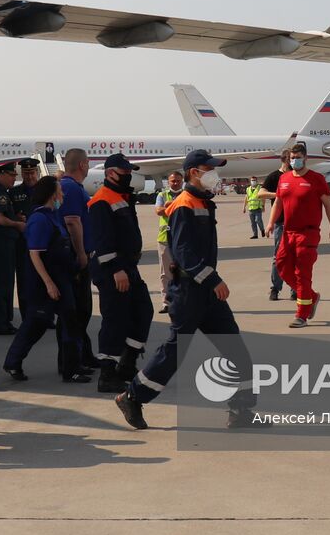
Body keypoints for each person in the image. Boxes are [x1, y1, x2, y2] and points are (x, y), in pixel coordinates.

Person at [115, 150, 266, 430]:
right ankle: (132, 397)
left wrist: (211, 283)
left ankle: (242, 410)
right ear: (194, 172)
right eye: (210, 168)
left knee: (235, 349)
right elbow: (184, 254)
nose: (215, 174)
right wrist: (214, 281)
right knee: (175, 351)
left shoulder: (203, 202)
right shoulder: (184, 204)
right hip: (189, 291)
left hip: (206, 293)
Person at [3, 176, 90, 383]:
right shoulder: (39, 219)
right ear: (52, 195)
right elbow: (35, 254)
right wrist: (49, 283)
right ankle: (13, 362)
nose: (62, 195)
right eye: (59, 191)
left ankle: (72, 369)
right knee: (36, 323)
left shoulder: (53, 215)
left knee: (70, 322)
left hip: (61, 279)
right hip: (44, 283)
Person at [88, 153, 153, 393]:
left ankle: (127, 364)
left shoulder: (122, 197)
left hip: (128, 268)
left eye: (129, 173)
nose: (129, 176)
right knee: (115, 320)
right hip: (112, 270)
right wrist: (116, 269)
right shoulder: (101, 200)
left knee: (143, 311)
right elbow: (101, 240)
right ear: (110, 174)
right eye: (124, 173)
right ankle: (107, 374)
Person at [267, 142, 330, 327]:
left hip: (308, 233)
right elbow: (278, 203)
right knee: (282, 266)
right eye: (292, 158)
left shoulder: (317, 179)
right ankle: (311, 296)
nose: (294, 161)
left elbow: (328, 205)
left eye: (298, 158)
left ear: (305, 158)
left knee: (302, 274)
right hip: (287, 233)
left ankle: (301, 314)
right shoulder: (284, 179)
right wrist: (270, 223)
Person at [58, 148, 101, 370]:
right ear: (83, 165)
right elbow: (72, 222)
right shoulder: (71, 188)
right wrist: (82, 253)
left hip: (77, 255)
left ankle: (84, 355)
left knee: (81, 311)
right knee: (76, 312)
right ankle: (72, 363)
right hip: (76, 258)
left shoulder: (69, 186)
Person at [0, 163, 25, 335]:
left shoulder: (3, 193)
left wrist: (14, 217)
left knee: (7, 284)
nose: (14, 178)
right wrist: (17, 224)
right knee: (2, 285)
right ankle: (0, 324)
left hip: (6, 243)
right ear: (1, 175)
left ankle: (5, 321)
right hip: (1, 244)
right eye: (11, 174)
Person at [258, 150, 292, 301]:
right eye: (291, 159)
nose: (293, 162)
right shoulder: (274, 176)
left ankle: (295, 289)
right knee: (278, 257)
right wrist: (278, 194)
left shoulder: (297, 175)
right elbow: (261, 193)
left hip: (297, 222)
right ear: (284, 160)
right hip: (280, 222)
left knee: (296, 257)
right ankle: (275, 288)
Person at [10, 158, 40, 321]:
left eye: (32, 173)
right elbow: (8, 214)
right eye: (26, 173)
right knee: (24, 280)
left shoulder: (45, 190)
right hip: (22, 243)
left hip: (42, 242)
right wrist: (15, 217)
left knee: (43, 279)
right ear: (21, 174)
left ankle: (44, 315)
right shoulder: (14, 193)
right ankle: (26, 316)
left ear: (37, 172)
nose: (29, 176)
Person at [153, 171, 182, 315]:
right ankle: (166, 302)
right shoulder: (162, 195)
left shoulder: (186, 195)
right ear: (168, 182)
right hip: (165, 239)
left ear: (182, 181)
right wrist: (175, 208)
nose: (175, 183)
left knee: (184, 272)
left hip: (182, 239)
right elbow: (159, 211)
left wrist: (169, 208)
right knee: (165, 273)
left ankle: (183, 301)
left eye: (177, 180)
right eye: (172, 181)